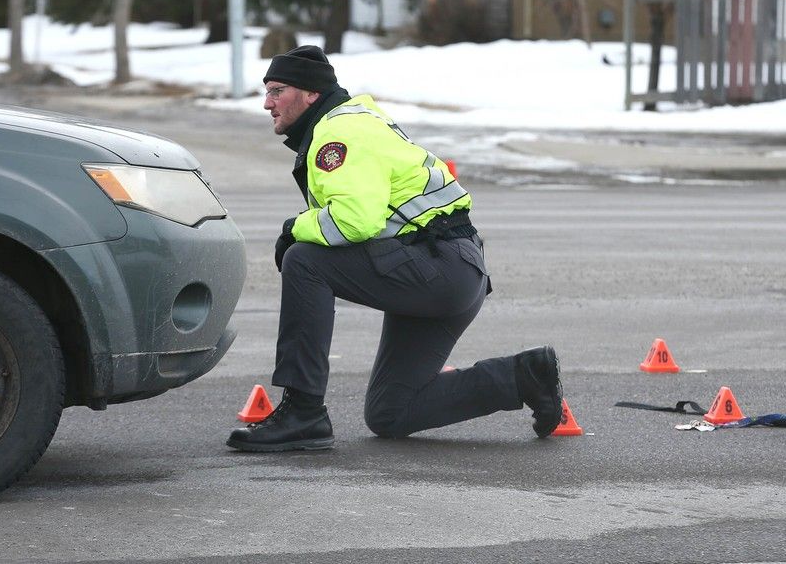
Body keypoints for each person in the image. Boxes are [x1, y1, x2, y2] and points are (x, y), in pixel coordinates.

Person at [227, 45, 562, 452]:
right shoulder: (351, 121)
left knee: (305, 260)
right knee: (390, 412)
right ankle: (523, 376)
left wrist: (293, 228)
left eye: (277, 90)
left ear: (311, 93)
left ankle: (303, 411)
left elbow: (356, 220)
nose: (267, 103)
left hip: (439, 267)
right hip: (450, 269)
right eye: (267, 91)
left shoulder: (338, 133)